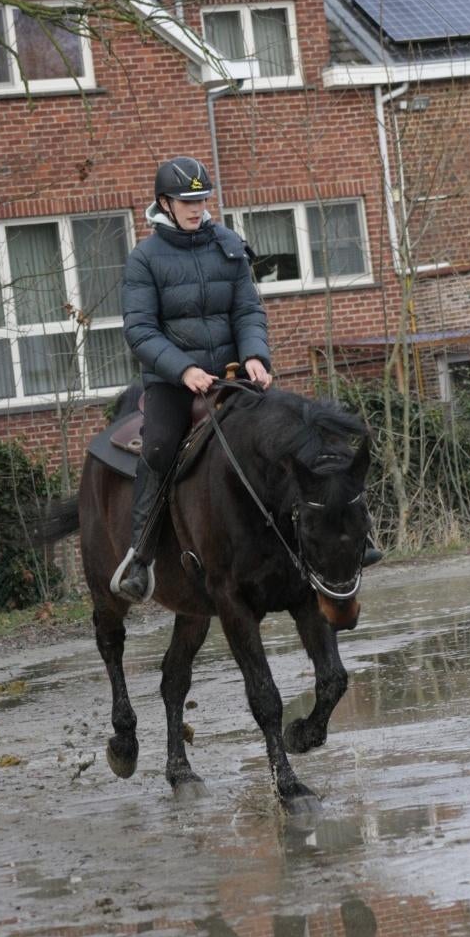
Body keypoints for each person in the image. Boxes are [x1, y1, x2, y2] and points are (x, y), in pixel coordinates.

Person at [112, 156, 273, 602]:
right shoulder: (144, 259)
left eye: (201, 200)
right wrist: (183, 369)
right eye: (187, 201)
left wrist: (255, 355)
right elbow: (140, 331)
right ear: (165, 203)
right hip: (172, 382)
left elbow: (248, 311)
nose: (196, 208)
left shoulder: (229, 245)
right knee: (159, 446)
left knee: (287, 429)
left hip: (233, 375)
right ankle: (140, 557)